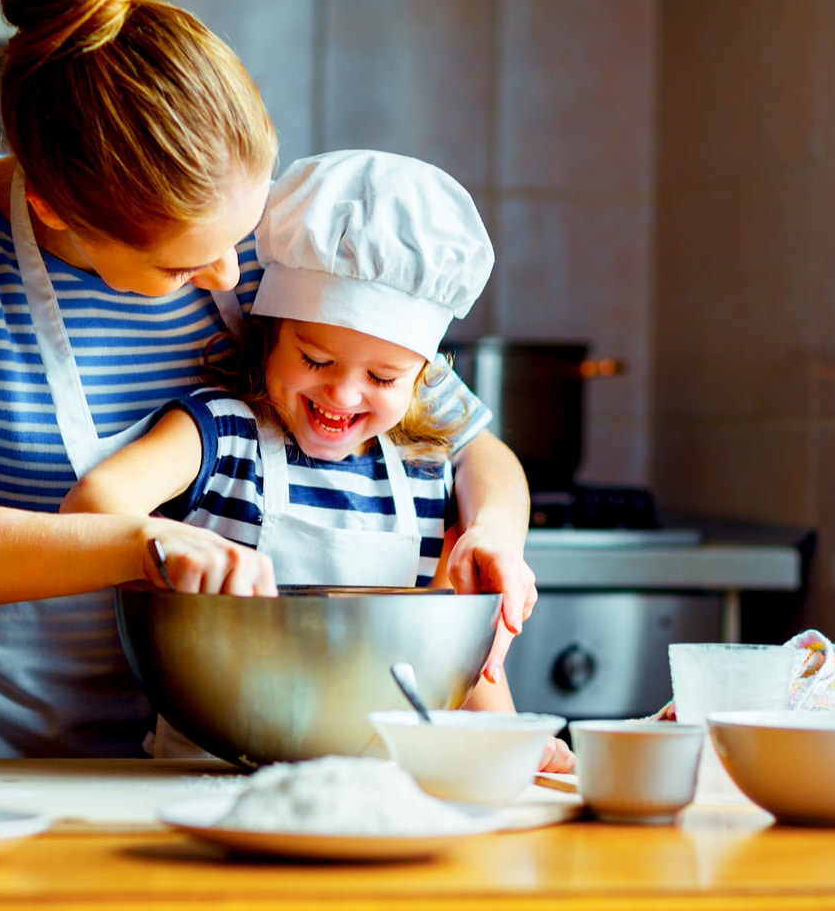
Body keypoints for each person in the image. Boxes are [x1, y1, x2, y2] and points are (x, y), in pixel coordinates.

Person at [0, 0, 537, 760]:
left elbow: (466, 441)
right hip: (5, 766)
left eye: (243, 235)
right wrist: (141, 543)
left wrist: (494, 535)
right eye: (185, 265)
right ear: (54, 208)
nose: (232, 277)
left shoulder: (278, 239)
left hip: (222, 764)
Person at [61, 150, 574, 772]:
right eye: (315, 360)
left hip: (383, 789)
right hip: (208, 772)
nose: (344, 394)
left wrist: (509, 745)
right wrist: (166, 551)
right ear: (270, 335)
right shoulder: (221, 433)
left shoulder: (424, 469)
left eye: (383, 376)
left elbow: (460, 661)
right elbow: (92, 505)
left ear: (424, 380)